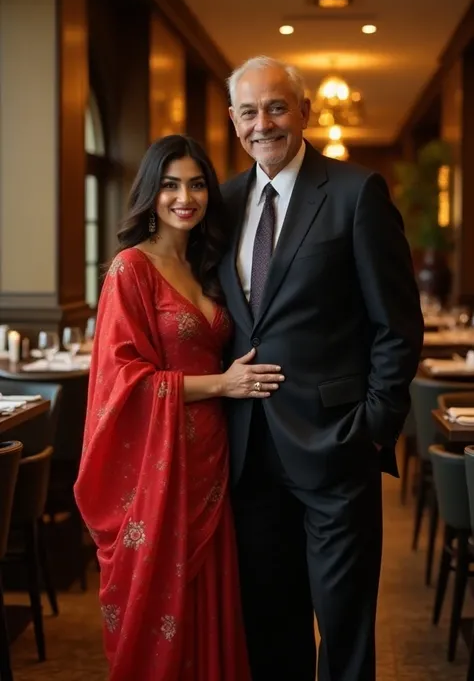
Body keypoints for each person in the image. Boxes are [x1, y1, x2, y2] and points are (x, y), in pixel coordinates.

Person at [219, 56, 424, 681]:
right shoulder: (221, 203)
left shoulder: (357, 192)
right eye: (249, 112)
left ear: (304, 112)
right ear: (233, 120)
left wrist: (372, 427)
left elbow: (398, 325)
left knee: (343, 627)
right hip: (248, 452)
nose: (264, 124)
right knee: (269, 627)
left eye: (277, 107)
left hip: (337, 446)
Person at [74, 134, 285, 681]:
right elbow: (125, 382)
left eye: (195, 184)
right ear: (151, 192)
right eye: (170, 185)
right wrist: (224, 384)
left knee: (212, 603)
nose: (184, 197)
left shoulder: (209, 268)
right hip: (157, 468)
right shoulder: (130, 270)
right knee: (158, 611)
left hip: (212, 462)